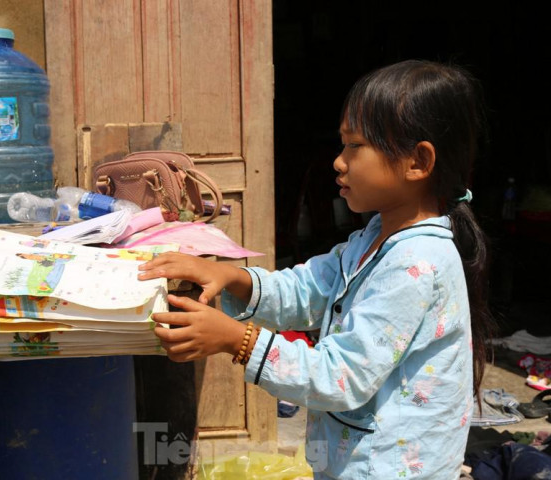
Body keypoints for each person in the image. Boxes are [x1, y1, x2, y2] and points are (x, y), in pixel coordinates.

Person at [138, 59, 494, 479]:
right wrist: (232, 278)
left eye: (355, 146)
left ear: (418, 162)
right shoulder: (377, 235)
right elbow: (309, 286)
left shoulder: (415, 264)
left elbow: (339, 376)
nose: (338, 162)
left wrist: (237, 340)